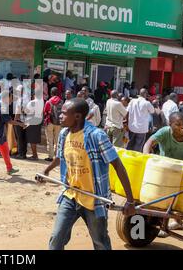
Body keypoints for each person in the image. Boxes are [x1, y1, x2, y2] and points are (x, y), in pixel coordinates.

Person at [39, 98, 135, 250]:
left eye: (64, 113)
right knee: (56, 239)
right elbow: (60, 157)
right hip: (71, 194)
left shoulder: (97, 136)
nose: (60, 116)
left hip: (93, 199)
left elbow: (118, 165)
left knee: (100, 242)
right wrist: (46, 170)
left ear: (77, 116)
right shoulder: (64, 134)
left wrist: (130, 200)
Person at [143, 112, 183, 236]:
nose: (182, 126)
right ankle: (177, 222)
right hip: (164, 170)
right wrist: (146, 155)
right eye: (178, 124)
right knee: (165, 199)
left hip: (181, 173)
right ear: (170, 125)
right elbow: (149, 142)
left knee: (173, 200)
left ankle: (164, 228)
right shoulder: (164, 132)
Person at [44, 87, 64, 162]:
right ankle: (57, 156)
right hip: (58, 123)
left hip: (49, 122)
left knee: (50, 140)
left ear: (51, 93)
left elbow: (45, 112)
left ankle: (50, 156)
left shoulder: (48, 102)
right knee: (57, 140)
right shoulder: (61, 102)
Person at [24, 91, 44, 161]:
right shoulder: (42, 102)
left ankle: (35, 155)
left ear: (34, 95)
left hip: (32, 120)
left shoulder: (32, 102)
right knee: (34, 139)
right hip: (38, 120)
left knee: (32, 139)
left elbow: (26, 111)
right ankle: (35, 155)